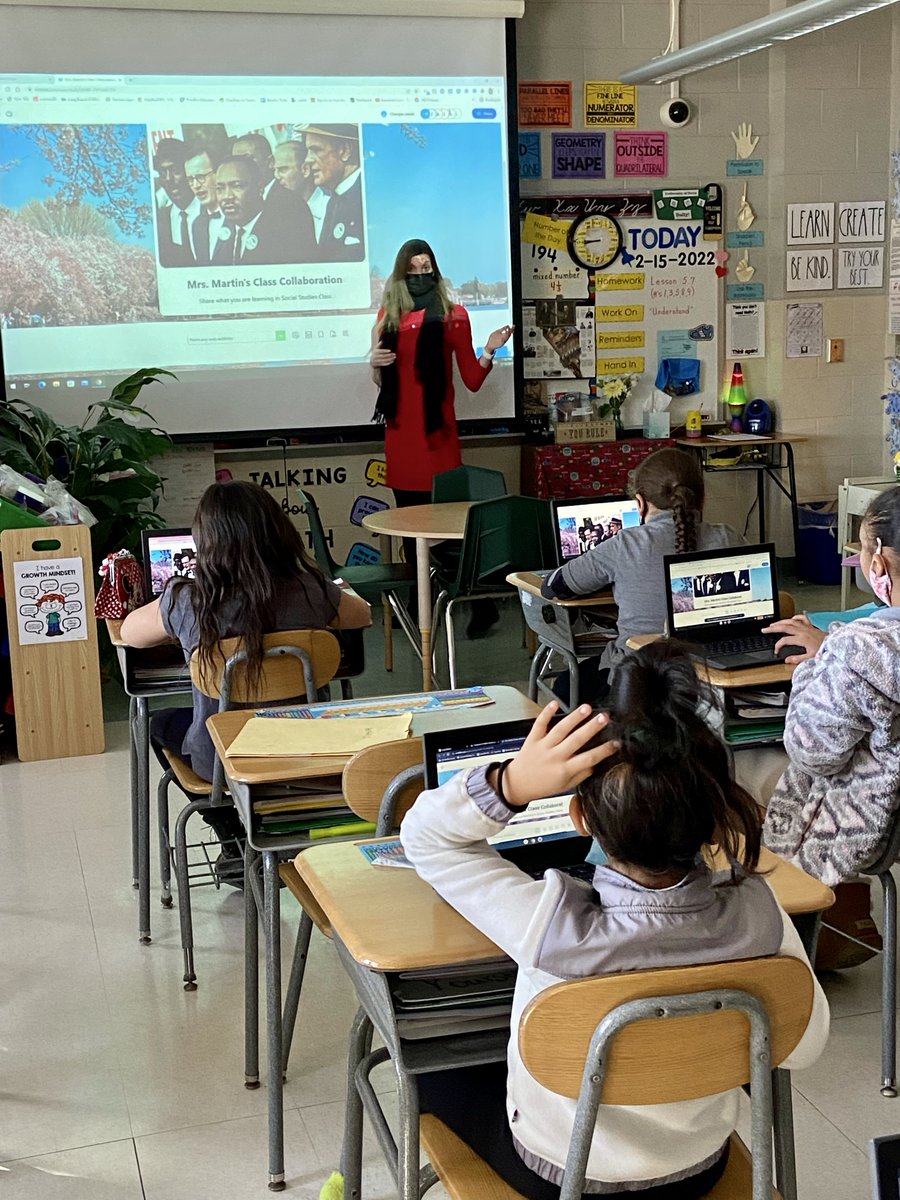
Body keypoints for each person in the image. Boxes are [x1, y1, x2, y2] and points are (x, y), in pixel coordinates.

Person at [400, 643, 828, 1199]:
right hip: (698, 1170)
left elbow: (425, 839)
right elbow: (804, 1045)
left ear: (579, 817)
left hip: (561, 1180)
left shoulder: (546, 923)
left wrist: (512, 784)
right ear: (714, 820)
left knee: (429, 1070)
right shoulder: (760, 915)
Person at [121, 480, 371, 882]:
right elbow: (362, 614)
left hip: (222, 762)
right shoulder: (310, 589)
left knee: (157, 723)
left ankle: (231, 833)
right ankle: (274, 833)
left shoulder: (188, 600)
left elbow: (130, 633)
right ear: (277, 531)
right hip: (306, 753)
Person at [370, 238, 513, 630]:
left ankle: (480, 601)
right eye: (413, 269)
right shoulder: (388, 316)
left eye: (426, 267)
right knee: (407, 529)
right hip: (401, 438)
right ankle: (419, 606)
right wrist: (375, 363)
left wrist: (490, 350)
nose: (420, 275)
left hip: (438, 441)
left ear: (435, 269)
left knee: (451, 531)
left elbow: (472, 379)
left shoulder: (455, 316)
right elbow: (381, 381)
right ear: (401, 273)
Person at [762, 486, 900, 889]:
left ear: (878, 566)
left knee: (733, 768)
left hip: (870, 828)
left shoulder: (859, 650)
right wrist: (833, 647)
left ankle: (782, 911)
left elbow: (812, 754)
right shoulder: (859, 649)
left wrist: (817, 665)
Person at [541, 447, 742, 701]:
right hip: (712, 673)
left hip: (639, 678)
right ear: (701, 499)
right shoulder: (729, 536)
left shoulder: (626, 544)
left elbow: (554, 587)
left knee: (565, 685)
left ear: (640, 503)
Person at [211, 157, 311, 266]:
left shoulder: (284, 230)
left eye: (237, 186)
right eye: (220, 189)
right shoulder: (224, 234)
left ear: (260, 188)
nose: (227, 196)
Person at [302, 124, 365, 261]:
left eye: (316, 150)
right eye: (308, 151)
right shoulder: (334, 201)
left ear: (345, 151)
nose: (307, 160)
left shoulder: (365, 199)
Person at [154, 137, 200, 267]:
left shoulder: (213, 212)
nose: (168, 179)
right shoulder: (160, 221)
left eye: (175, 171)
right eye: (163, 173)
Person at [184, 147, 224, 266]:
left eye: (200, 177)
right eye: (190, 179)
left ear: (218, 173)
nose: (195, 185)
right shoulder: (196, 225)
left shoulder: (239, 217)